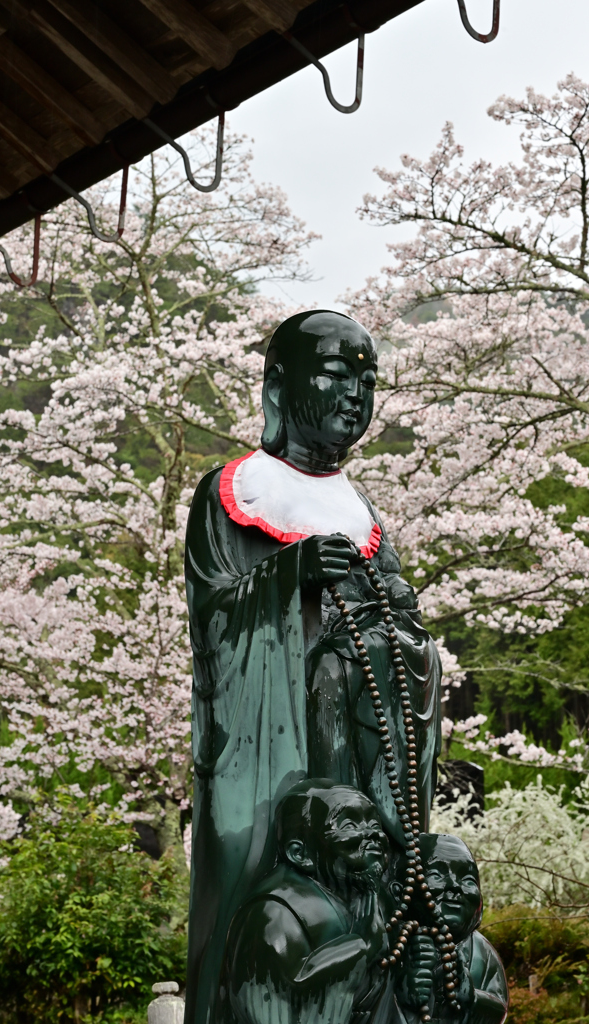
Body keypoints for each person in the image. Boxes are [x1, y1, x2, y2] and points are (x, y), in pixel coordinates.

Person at [184, 310, 441, 1024]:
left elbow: (406, 639)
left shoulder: (362, 513)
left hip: (362, 755)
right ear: (276, 384)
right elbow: (213, 623)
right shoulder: (232, 494)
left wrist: (402, 633)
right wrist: (284, 576)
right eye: (334, 374)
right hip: (276, 758)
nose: (354, 394)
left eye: (367, 380)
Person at [223, 780, 390, 1024]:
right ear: (299, 854)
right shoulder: (272, 914)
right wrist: (361, 947)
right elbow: (279, 1005)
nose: (372, 833)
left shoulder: (368, 898)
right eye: (349, 824)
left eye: (375, 823)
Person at [397, 835, 508, 1024]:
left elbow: (499, 1008)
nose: (456, 886)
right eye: (436, 876)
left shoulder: (481, 951)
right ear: (402, 889)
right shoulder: (394, 941)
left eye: (468, 879)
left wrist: (472, 999)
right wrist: (402, 989)